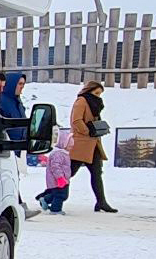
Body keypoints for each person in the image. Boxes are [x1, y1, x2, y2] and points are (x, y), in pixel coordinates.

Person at [70, 80, 118, 213]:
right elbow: (76, 120)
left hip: (93, 143)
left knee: (97, 173)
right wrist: (88, 131)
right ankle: (49, 195)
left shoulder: (94, 104)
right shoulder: (81, 101)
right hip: (82, 143)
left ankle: (101, 202)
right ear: (89, 91)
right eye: (96, 93)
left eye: (100, 94)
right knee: (69, 172)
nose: (98, 96)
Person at [35, 133, 73, 213]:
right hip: (57, 180)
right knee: (60, 195)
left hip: (63, 179)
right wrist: (59, 178)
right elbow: (55, 167)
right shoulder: (58, 154)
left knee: (62, 195)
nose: (71, 147)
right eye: (69, 145)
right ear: (63, 144)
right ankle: (55, 210)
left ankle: (45, 199)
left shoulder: (64, 153)